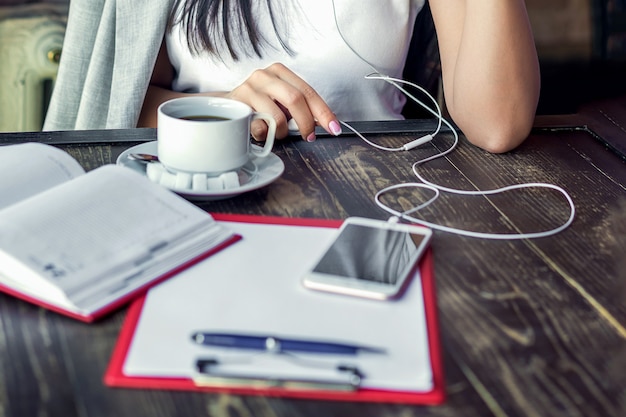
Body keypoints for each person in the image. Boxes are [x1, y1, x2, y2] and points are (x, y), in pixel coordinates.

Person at [44, 0, 540, 154]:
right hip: (193, 196)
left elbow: (498, 124)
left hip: (370, 207)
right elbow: (122, 104)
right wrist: (226, 108)